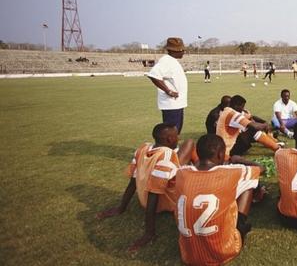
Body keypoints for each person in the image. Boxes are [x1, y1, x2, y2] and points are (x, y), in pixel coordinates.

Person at [96, 123, 196, 251]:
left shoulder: (142, 148)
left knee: (190, 147)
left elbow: (133, 182)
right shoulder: (166, 157)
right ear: (169, 139)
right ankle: (205, 172)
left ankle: (201, 170)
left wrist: (121, 207)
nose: (178, 138)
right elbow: (154, 194)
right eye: (176, 136)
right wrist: (149, 233)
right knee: (190, 143)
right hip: (165, 203)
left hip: (143, 199)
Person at [174, 134, 264, 266]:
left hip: (188, 254)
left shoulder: (182, 173)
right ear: (220, 154)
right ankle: (240, 224)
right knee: (248, 184)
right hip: (222, 252)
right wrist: (239, 159)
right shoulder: (231, 172)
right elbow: (261, 169)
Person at [217, 95, 284, 160]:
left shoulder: (228, 111)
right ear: (236, 106)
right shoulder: (232, 114)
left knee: (249, 129)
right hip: (227, 150)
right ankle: (277, 148)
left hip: (223, 146)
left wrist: (264, 122)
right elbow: (255, 126)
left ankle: (275, 145)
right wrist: (265, 125)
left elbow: (250, 117)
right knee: (252, 130)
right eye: (242, 107)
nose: (243, 109)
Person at [146, 37, 188, 134]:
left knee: (176, 131)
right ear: (177, 50)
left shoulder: (172, 60)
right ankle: (168, 149)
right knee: (171, 132)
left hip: (176, 103)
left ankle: (173, 148)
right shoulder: (166, 61)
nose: (183, 52)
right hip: (171, 104)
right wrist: (168, 91)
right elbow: (153, 75)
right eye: (183, 50)